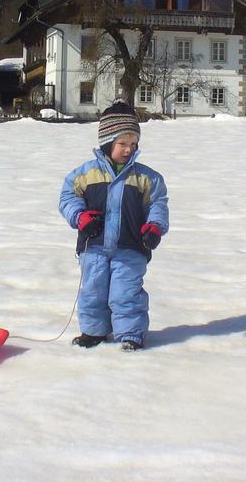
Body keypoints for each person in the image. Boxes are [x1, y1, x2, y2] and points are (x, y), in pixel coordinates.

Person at [59, 100, 169, 351]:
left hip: (130, 246)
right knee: (93, 290)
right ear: (107, 143)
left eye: (133, 144)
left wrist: (155, 226)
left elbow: (158, 204)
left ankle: (130, 334)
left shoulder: (147, 178)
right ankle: (93, 331)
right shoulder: (85, 174)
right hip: (94, 246)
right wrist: (80, 217)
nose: (129, 149)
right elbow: (68, 197)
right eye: (122, 144)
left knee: (125, 293)